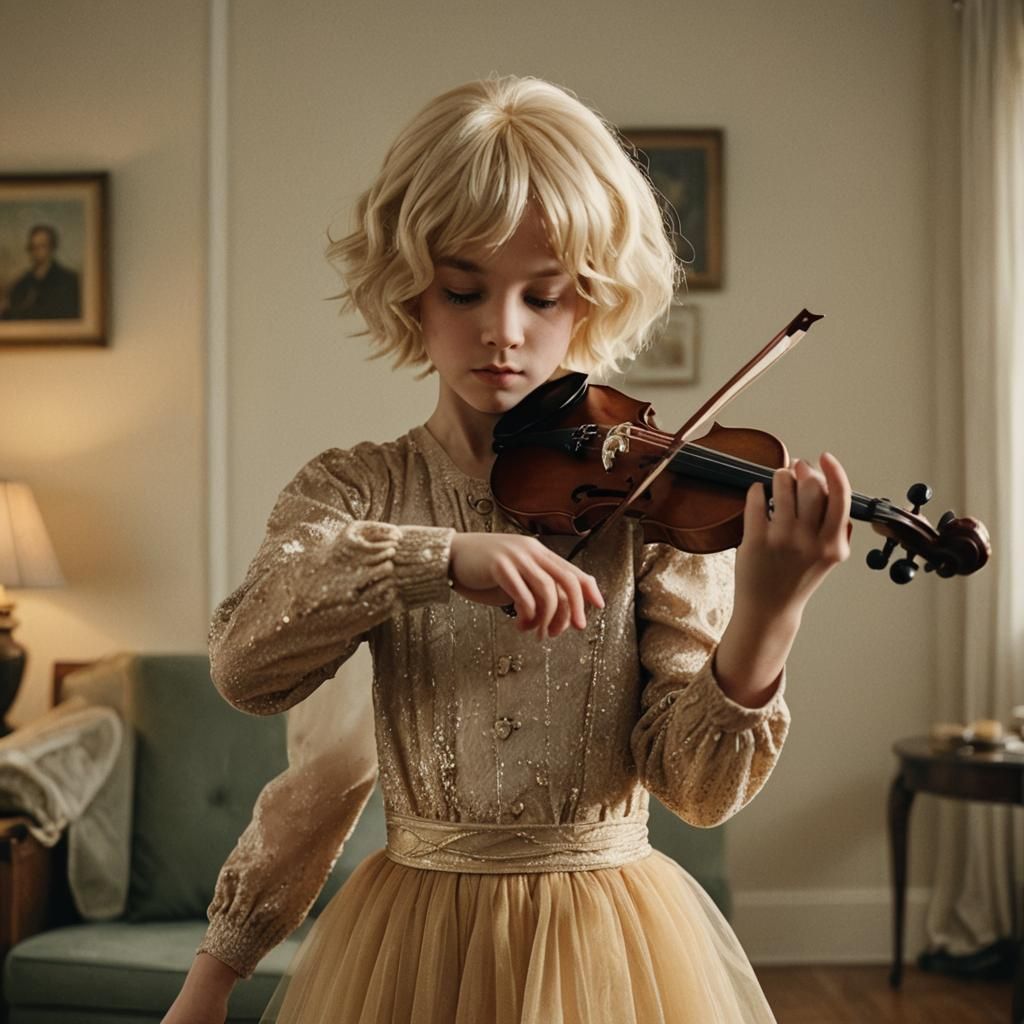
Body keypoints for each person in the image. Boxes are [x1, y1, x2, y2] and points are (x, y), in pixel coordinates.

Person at [163, 75, 851, 1024]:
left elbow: (696, 789)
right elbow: (248, 667)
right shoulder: (358, 491)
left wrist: (770, 619)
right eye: (463, 289)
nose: (504, 331)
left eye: (545, 294)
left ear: (595, 298)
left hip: (609, 942)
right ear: (410, 289)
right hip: (413, 940)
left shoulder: (650, 504)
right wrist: (438, 557)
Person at [0, 224, 80, 320]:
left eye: (42, 246)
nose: (36, 252)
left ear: (52, 247)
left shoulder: (69, 280)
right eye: (33, 247)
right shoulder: (22, 282)